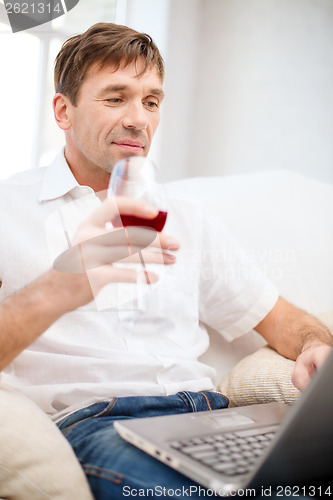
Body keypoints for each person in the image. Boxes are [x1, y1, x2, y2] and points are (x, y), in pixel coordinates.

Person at [0, 22, 332, 499]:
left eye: (151, 101)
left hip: (213, 415)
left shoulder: (185, 216)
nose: (140, 119)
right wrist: (62, 286)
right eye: (116, 98)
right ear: (62, 111)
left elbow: (284, 320)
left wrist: (314, 349)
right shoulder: (8, 209)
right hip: (102, 425)